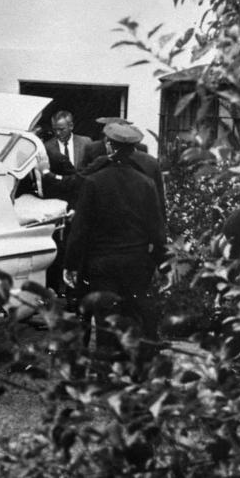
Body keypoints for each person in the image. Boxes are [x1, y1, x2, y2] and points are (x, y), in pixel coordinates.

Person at [63, 123, 166, 344]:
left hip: (102, 265)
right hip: (137, 263)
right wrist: (157, 261)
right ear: (133, 149)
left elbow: (80, 230)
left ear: (109, 146)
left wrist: (71, 264)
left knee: (106, 323)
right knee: (133, 318)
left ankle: (106, 373)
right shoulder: (146, 183)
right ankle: (132, 371)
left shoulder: (94, 182)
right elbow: (157, 230)